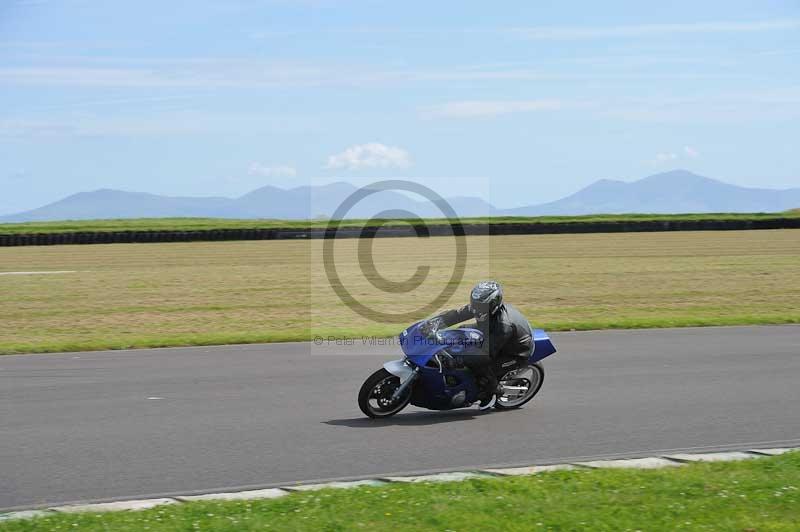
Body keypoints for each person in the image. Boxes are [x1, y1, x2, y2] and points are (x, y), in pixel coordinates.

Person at [420, 281, 533, 410]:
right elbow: (456, 315)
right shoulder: (481, 307)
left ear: (493, 304)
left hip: (515, 352)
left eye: (480, 305)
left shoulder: (503, 326)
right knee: (461, 330)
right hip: (492, 333)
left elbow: (486, 355)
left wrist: (458, 360)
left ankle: (492, 392)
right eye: (474, 303)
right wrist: (434, 323)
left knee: (480, 366)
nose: (475, 308)